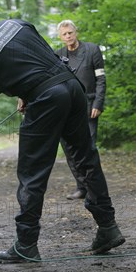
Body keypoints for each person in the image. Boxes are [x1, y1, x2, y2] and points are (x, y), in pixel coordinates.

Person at [0, 2, 125, 263]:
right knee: (85, 158)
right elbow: (46, 55)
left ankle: (26, 244)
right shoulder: (16, 24)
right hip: (73, 88)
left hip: (47, 100)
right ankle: (108, 227)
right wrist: (28, 91)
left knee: (32, 172)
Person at [55, 20, 107, 200]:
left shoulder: (92, 50)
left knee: (89, 147)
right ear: (60, 37)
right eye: (64, 34)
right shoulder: (57, 55)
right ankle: (81, 186)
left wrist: (98, 103)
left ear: (76, 32)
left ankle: (94, 188)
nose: (68, 36)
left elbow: (101, 79)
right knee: (69, 149)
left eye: (70, 32)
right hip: (67, 108)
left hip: (89, 105)